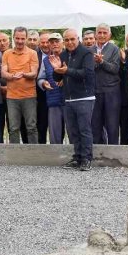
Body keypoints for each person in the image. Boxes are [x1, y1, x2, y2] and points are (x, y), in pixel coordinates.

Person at [51, 28, 95, 171]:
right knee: (73, 131)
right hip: (68, 98)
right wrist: (56, 70)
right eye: (67, 40)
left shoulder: (87, 53)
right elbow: (58, 78)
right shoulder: (63, 54)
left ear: (78, 39)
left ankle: (86, 159)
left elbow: (87, 74)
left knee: (84, 129)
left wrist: (67, 70)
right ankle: (77, 157)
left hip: (84, 97)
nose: (69, 42)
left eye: (72, 39)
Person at [1, 26, 40, 144]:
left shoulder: (32, 53)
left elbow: (34, 73)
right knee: (13, 128)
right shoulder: (7, 53)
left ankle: (34, 154)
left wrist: (23, 74)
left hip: (29, 95)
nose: (20, 41)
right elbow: (3, 72)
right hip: (12, 96)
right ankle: (15, 156)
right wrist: (13, 76)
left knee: (31, 127)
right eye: (17, 38)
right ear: (13, 38)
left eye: (22, 38)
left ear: (26, 39)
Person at [90, 23, 122, 145]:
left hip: (111, 91)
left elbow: (115, 69)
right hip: (95, 91)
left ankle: (114, 154)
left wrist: (101, 62)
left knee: (112, 124)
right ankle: (98, 154)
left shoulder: (114, 49)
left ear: (109, 35)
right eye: (99, 32)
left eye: (105, 33)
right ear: (95, 34)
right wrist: (97, 63)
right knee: (95, 124)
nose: (102, 35)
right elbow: (88, 69)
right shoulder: (90, 50)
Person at [37, 33, 65, 144]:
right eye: (52, 42)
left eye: (57, 41)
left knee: (73, 132)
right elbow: (40, 78)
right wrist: (43, 83)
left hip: (70, 99)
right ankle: (56, 158)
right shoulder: (46, 60)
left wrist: (66, 79)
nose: (54, 44)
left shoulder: (70, 56)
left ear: (62, 43)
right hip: (53, 99)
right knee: (55, 134)